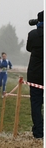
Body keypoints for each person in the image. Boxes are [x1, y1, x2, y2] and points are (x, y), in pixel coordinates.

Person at [26, 10, 43, 139]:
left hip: (35, 74)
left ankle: (39, 131)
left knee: (36, 104)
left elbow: (28, 48)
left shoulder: (32, 34)